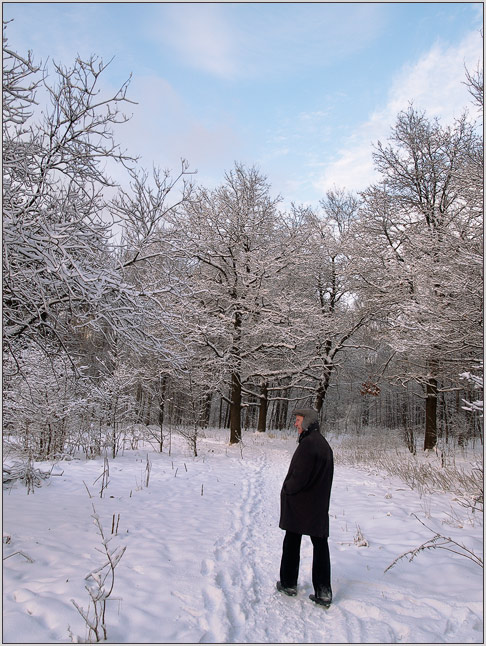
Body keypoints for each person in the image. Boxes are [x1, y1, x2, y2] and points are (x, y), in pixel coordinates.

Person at [277, 408, 334, 607]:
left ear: (307, 421)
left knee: (292, 541)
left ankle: (288, 583)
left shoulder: (308, 445)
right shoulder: (323, 444)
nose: (295, 424)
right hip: (317, 506)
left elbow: (298, 477)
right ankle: (323, 591)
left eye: (298, 420)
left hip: (300, 505)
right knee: (320, 546)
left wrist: (287, 488)